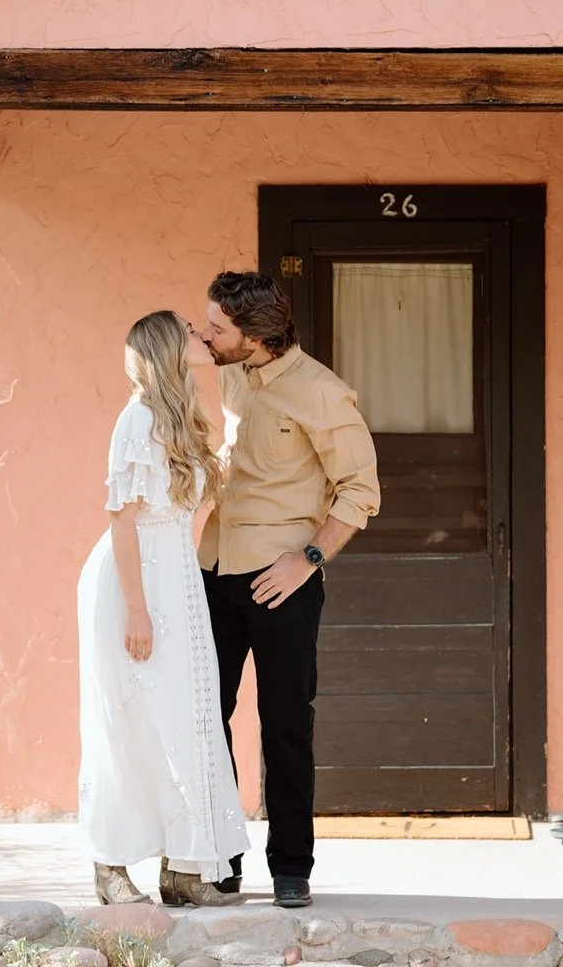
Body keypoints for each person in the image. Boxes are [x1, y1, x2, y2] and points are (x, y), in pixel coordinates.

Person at [200, 271, 380, 909]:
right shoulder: (231, 374)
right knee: (203, 720)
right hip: (213, 570)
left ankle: (291, 868)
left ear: (255, 338)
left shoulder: (322, 393)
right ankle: (218, 860)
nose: (205, 335)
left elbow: (360, 490)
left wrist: (308, 558)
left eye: (217, 328)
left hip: (283, 583)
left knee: (283, 724)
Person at [78, 310, 250, 907]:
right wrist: (136, 610)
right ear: (164, 347)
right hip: (134, 583)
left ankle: (184, 868)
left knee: (187, 716)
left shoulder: (179, 417)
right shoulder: (137, 419)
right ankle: (110, 865)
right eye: (188, 329)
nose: (199, 335)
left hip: (176, 578)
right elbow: (121, 518)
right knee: (127, 718)